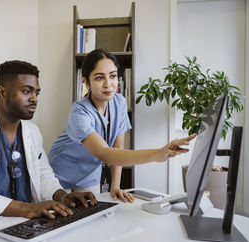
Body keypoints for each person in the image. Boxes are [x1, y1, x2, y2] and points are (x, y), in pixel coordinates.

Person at [0, 60, 96, 221]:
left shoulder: (32, 132)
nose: (34, 98)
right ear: (2, 92)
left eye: (37, 93)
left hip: (23, 222)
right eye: (27, 91)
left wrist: (62, 196)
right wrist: (26, 208)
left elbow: (42, 174)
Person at [48, 49, 195, 203]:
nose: (108, 84)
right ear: (86, 82)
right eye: (99, 78)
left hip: (89, 174)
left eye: (112, 76)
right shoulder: (79, 112)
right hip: (61, 171)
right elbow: (104, 153)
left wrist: (115, 185)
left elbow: (118, 149)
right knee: (61, 217)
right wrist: (157, 154)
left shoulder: (119, 103)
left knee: (89, 215)